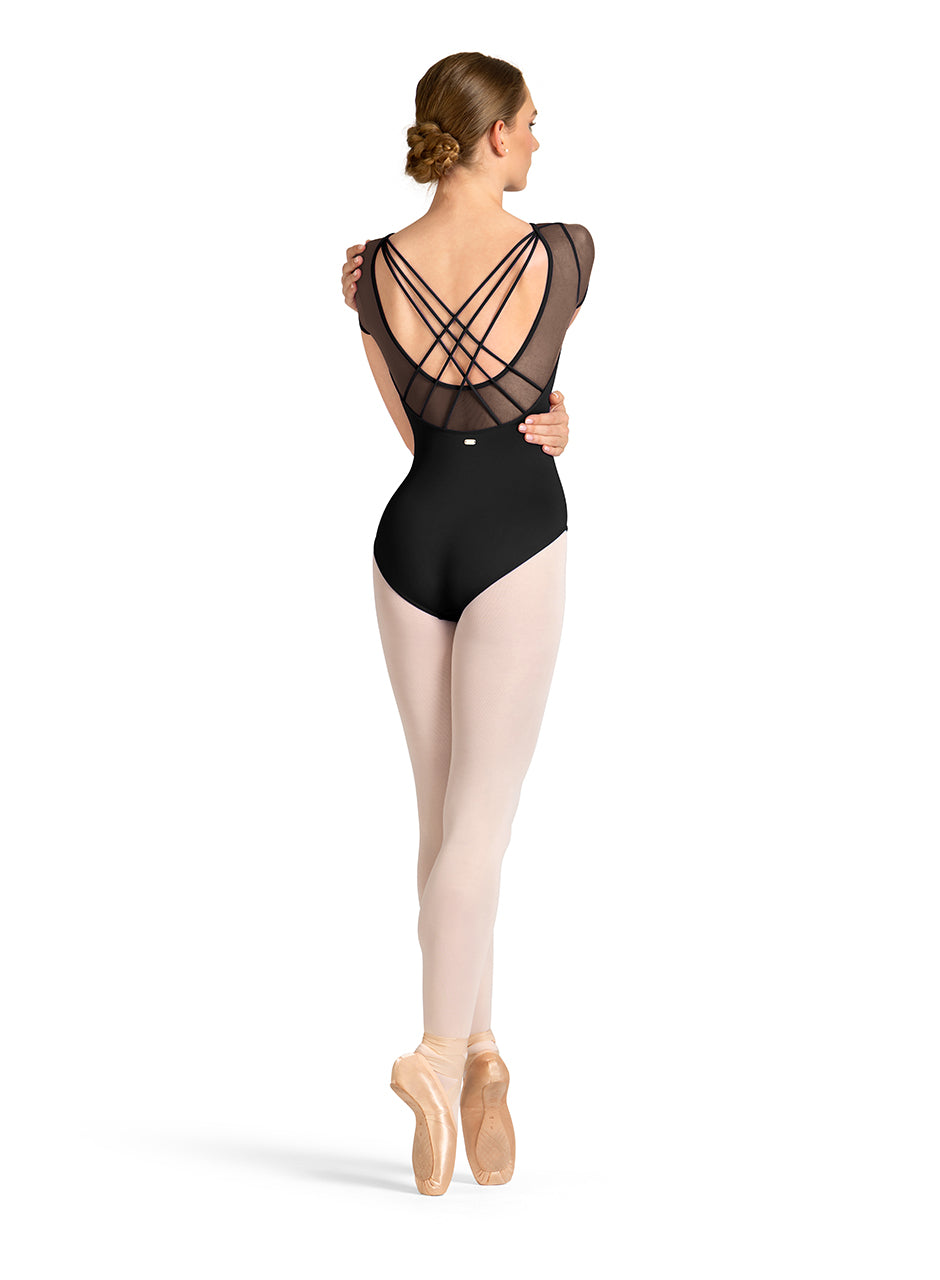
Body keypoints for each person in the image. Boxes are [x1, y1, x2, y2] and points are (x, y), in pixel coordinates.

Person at [346, 51, 594, 1196]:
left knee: (443, 819)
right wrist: (553, 420)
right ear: (493, 133)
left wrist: (546, 414)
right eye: (531, 122)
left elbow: (419, 432)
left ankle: (485, 1053)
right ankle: (438, 1055)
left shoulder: (370, 270)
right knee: (480, 826)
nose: (538, 140)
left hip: (411, 540)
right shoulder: (563, 253)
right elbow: (519, 404)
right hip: (514, 538)